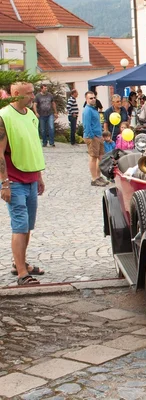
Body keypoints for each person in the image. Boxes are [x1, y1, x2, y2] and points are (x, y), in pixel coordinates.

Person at [0, 82, 46, 285]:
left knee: (27, 226)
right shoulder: (4, 116)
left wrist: (39, 176)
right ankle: (21, 273)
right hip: (14, 180)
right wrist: (4, 183)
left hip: (31, 177)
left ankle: (20, 262)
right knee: (19, 225)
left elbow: (33, 146)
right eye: (28, 93)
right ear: (15, 94)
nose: (33, 96)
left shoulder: (30, 115)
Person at [82, 91, 109, 187]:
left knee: (101, 157)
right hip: (92, 137)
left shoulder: (94, 109)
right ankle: (94, 178)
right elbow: (87, 125)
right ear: (86, 99)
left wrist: (100, 134)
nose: (93, 99)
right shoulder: (87, 110)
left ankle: (98, 176)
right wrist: (92, 136)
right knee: (93, 157)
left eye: (94, 97)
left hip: (98, 136)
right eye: (91, 98)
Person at [33, 83, 57, 147]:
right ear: (41, 89)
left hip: (50, 114)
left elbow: (53, 103)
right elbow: (35, 105)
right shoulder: (38, 96)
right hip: (41, 115)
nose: (46, 89)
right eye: (44, 88)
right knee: (43, 129)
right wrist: (36, 112)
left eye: (46, 88)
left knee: (51, 128)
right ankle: (44, 142)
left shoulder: (50, 95)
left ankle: (51, 142)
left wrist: (55, 112)